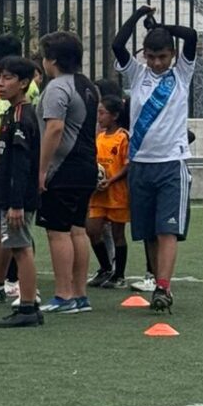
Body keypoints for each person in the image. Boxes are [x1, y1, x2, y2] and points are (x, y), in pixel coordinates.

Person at [112, 6, 198, 313]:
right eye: (151, 56)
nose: (157, 63)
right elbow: (117, 45)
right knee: (148, 231)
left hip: (171, 163)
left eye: (162, 56)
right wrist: (137, 17)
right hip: (140, 165)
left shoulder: (181, 74)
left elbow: (191, 35)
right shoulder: (137, 75)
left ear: (172, 54)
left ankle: (163, 287)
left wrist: (161, 26)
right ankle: (154, 276)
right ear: (144, 55)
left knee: (167, 229)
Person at [36, 32, 100, 314]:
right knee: (77, 229)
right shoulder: (88, 86)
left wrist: (41, 169)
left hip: (63, 168)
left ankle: (63, 295)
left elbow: (55, 128)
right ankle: (80, 294)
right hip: (86, 166)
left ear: (52, 59)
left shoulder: (57, 87)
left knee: (57, 231)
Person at [0, 58, 44, 328]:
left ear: (23, 83)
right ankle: (28, 305)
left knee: (21, 248)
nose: (0, 83)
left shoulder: (21, 118)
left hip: (17, 197)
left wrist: (16, 203)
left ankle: (28, 305)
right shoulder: (10, 112)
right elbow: (4, 159)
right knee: (17, 245)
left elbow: (21, 164)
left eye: (7, 78)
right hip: (7, 194)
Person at [86, 95, 131, 289]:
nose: (99, 117)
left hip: (117, 193)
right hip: (98, 194)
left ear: (114, 116)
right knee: (92, 230)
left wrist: (110, 180)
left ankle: (119, 276)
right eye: (98, 113)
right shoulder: (99, 137)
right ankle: (105, 268)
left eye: (102, 113)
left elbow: (128, 165)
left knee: (118, 234)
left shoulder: (123, 137)